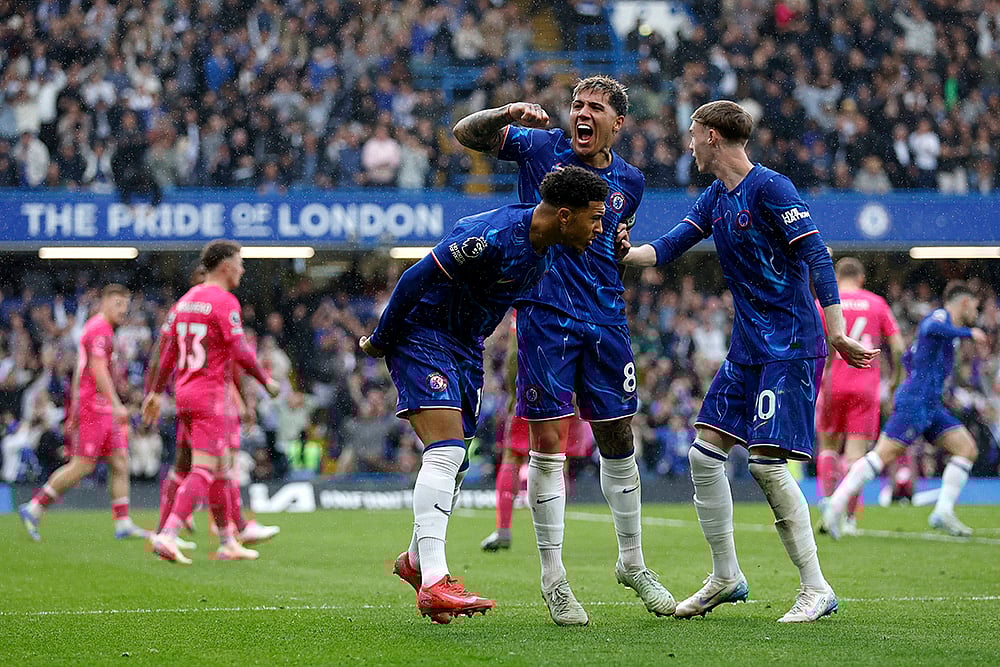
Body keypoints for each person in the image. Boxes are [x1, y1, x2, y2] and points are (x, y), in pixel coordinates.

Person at [619, 100, 879, 622]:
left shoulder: (771, 188)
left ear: (713, 136)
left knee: (765, 464)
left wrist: (836, 330)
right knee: (703, 453)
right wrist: (622, 252)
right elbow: (670, 247)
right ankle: (726, 575)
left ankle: (816, 587)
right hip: (749, 347)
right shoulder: (716, 196)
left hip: (789, 343)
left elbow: (817, 256)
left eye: (693, 134)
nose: (688, 144)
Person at [453, 75, 676, 626]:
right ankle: (555, 580)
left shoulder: (631, 180)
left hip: (605, 318)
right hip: (545, 314)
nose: (581, 113)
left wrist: (622, 245)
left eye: (595, 107)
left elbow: (614, 237)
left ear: (617, 123)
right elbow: (465, 134)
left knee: (618, 437)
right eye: (577, 104)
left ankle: (633, 563)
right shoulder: (538, 146)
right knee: (546, 443)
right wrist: (505, 112)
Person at [360, 166, 608, 624]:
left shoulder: (550, 252)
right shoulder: (488, 234)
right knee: (446, 452)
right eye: (595, 219)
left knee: (456, 465)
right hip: (421, 333)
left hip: (465, 349)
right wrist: (382, 337)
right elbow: (416, 277)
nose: (600, 229)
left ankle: (416, 561)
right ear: (566, 216)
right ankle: (434, 582)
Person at [142, 240, 280, 563]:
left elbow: (167, 355)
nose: (243, 269)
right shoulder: (225, 301)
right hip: (210, 396)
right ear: (225, 265)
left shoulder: (184, 302)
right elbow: (241, 350)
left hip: (185, 393)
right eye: (240, 262)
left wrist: (155, 392)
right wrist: (266, 380)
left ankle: (227, 540)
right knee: (204, 469)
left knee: (219, 468)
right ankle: (168, 533)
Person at [822, 281, 986, 539]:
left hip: (930, 404)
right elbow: (930, 327)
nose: (976, 313)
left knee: (966, 449)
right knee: (881, 456)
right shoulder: (940, 318)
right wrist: (968, 334)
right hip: (916, 403)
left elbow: (910, 356)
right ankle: (835, 504)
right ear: (964, 302)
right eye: (975, 307)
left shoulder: (947, 328)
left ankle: (942, 511)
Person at [19, 285, 150, 541]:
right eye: (117, 303)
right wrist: (114, 403)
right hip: (97, 408)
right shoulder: (99, 329)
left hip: (96, 407)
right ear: (103, 303)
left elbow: (82, 372)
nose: (122, 310)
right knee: (83, 465)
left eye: (125, 304)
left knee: (120, 461)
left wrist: (76, 411)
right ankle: (35, 506)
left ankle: (122, 523)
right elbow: (98, 370)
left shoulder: (98, 328)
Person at [480, 312, 594, 553]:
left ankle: (503, 530)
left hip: (531, 387)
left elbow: (513, 356)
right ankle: (555, 534)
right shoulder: (568, 298)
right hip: (562, 390)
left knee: (513, 456)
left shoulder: (525, 304)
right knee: (556, 461)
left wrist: (514, 394)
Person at [815, 257, 905, 536]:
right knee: (856, 456)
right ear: (862, 278)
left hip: (832, 383)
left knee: (828, 447)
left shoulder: (824, 304)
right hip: (865, 385)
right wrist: (894, 382)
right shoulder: (877, 303)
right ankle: (849, 519)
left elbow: (819, 347)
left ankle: (828, 504)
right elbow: (899, 348)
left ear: (836, 277)